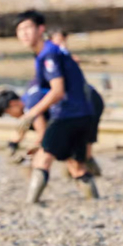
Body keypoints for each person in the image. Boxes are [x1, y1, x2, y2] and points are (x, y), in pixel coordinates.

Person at [14, 10, 97, 203]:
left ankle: (30, 205)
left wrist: (30, 114)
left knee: (42, 158)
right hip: (84, 113)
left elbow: (57, 91)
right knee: (77, 167)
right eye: (20, 30)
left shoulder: (48, 54)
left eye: (28, 28)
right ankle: (96, 203)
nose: (24, 33)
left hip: (67, 114)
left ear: (41, 29)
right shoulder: (51, 52)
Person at [45, 27, 104, 176]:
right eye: (59, 38)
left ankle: (85, 165)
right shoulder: (53, 55)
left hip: (83, 101)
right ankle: (79, 168)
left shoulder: (61, 54)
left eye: (63, 38)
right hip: (72, 103)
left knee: (86, 134)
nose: (62, 41)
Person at [0, 81, 49, 164]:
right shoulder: (27, 98)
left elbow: (42, 134)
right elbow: (20, 131)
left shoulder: (31, 106)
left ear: (12, 104)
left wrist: (29, 154)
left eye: (8, 113)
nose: (11, 116)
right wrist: (12, 145)